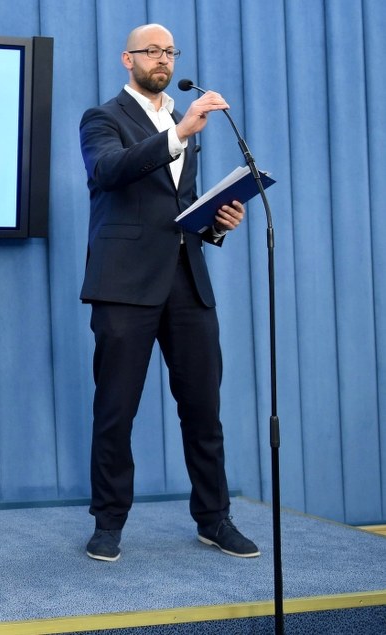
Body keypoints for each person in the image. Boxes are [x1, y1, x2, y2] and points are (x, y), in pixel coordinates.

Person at [78, 23, 259, 562]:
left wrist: (218, 222)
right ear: (126, 59)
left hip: (187, 282)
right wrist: (179, 132)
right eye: (151, 51)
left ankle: (214, 519)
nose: (162, 59)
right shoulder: (103, 118)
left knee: (204, 409)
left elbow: (179, 211)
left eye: (169, 52)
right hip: (124, 285)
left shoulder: (184, 128)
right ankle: (108, 523)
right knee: (116, 410)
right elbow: (108, 172)